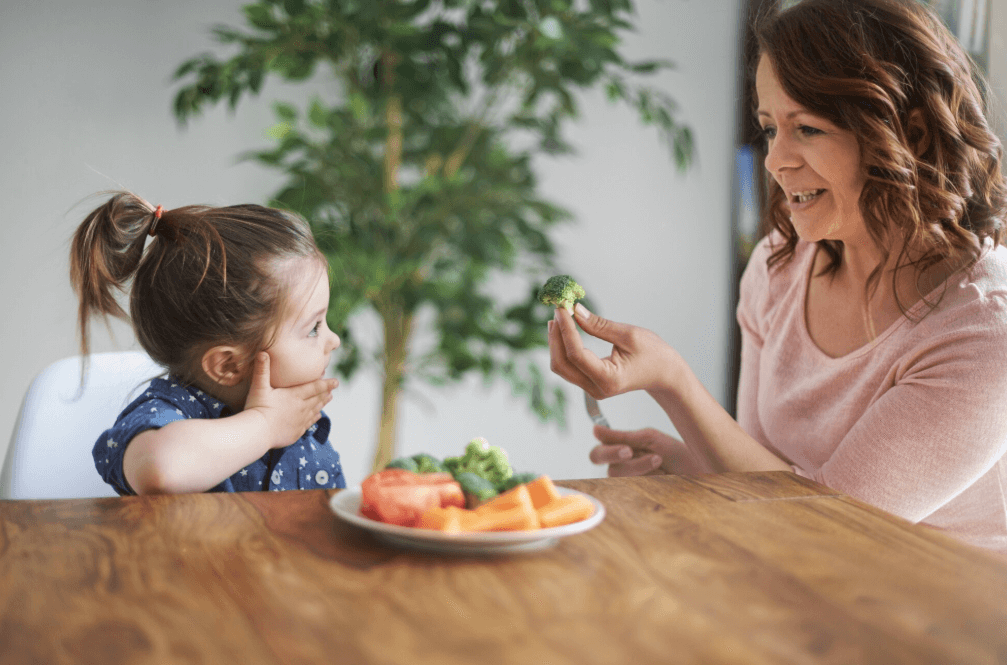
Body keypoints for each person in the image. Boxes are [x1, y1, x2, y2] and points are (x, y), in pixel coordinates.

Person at [548, 0, 1007, 555]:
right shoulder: (778, 267)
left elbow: (832, 531)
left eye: (807, 128)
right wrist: (684, 464)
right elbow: (772, 482)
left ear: (908, 133)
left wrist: (672, 381)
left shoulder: (984, 332)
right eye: (769, 129)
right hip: (808, 591)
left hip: (932, 622)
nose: (775, 160)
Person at [70, 192, 344, 494]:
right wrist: (265, 426)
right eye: (314, 328)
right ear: (228, 364)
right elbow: (161, 468)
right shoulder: (168, 414)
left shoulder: (302, 425)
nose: (334, 340)